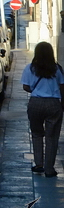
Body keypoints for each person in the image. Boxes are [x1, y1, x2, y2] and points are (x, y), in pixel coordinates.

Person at [21, 41, 64, 177]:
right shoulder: (57, 69)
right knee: (52, 137)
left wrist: (36, 89)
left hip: (35, 103)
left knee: (37, 133)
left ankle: (38, 164)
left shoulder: (30, 68)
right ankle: (49, 169)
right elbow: (62, 86)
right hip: (53, 104)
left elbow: (25, 87)